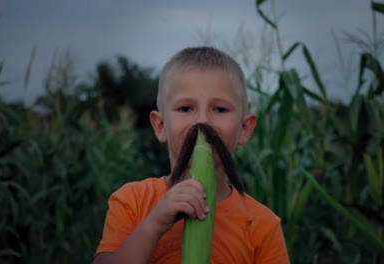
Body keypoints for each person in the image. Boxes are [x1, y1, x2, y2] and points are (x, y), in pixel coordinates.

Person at [94, 46, 290, 263]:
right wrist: (156, 222)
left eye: (220, 109)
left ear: (244, 129)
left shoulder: (263, 225)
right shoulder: (133, 201)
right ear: (160, 125)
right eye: (186, 108)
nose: (202, 121)